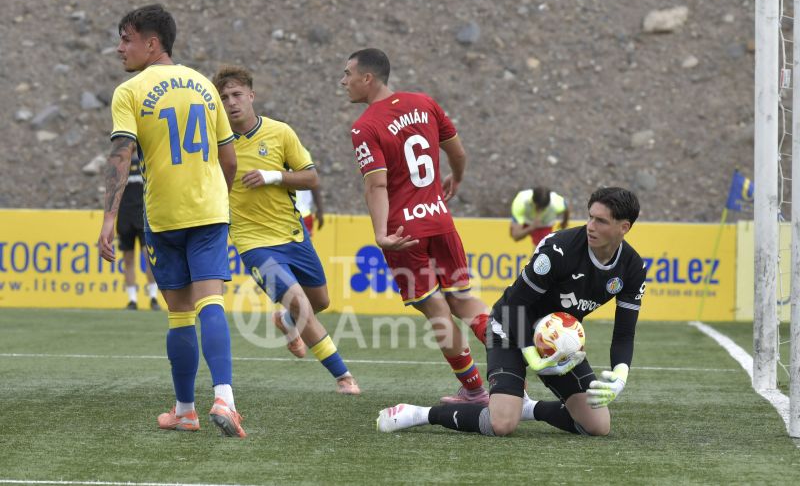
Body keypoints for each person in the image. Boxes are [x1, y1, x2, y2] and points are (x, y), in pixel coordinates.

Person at [377, 187, 646, 437]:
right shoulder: (558, 249)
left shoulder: (633, 268)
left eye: (601, 221)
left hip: (555, 341)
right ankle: (419, 414)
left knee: (597, 426)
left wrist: (620, 374)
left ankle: (527, 408)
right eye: (590, 217)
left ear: (624, 227)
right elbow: (514, 305)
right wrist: (531, 352)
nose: (590, 226)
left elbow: (624, 332)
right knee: (502, 424)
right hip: (509, 326)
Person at [97, 4, 245, 437]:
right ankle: (224, 399)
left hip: (164, 216)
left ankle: (185, 410)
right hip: (209, 211)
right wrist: (219, 196)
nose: (120, 47)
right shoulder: (204, 84)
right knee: (211, 303)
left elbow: (121, 154)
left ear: (152, 42)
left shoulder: (130, 90)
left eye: (127, 38)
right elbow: (229, 158)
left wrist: (108, 219)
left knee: (180, 314)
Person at [341, 48, 490, 404]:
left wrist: (380, 234)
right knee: (465, 301)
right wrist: (457, 178)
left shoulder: (365, 127)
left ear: (368, 78)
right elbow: (459, 152)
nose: (343, 82)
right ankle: (514, 370)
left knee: (438, 310)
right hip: (440, 219)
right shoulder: (424, 102)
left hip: (405, 233)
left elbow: (376, 185)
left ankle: (474, 391)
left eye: (347, 74)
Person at [212, 65, 360, 395]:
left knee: (318, 301)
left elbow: (311, 177)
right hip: (253, 243)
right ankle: (343, 377)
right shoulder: (214, 143)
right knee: (299, 302)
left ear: (251, 95)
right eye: (223, 98)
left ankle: (288, 321)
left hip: (294, 236)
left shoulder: (280, 133)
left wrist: (273, 175)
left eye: (237, 95)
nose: (231, 103)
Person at [116, 152, 161, 311]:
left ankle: (153, 297)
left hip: (143, 217)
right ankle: (132, 300)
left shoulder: (147, 161)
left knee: (149, 258)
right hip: (125, 218)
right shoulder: (120, 166)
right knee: (128, 260)